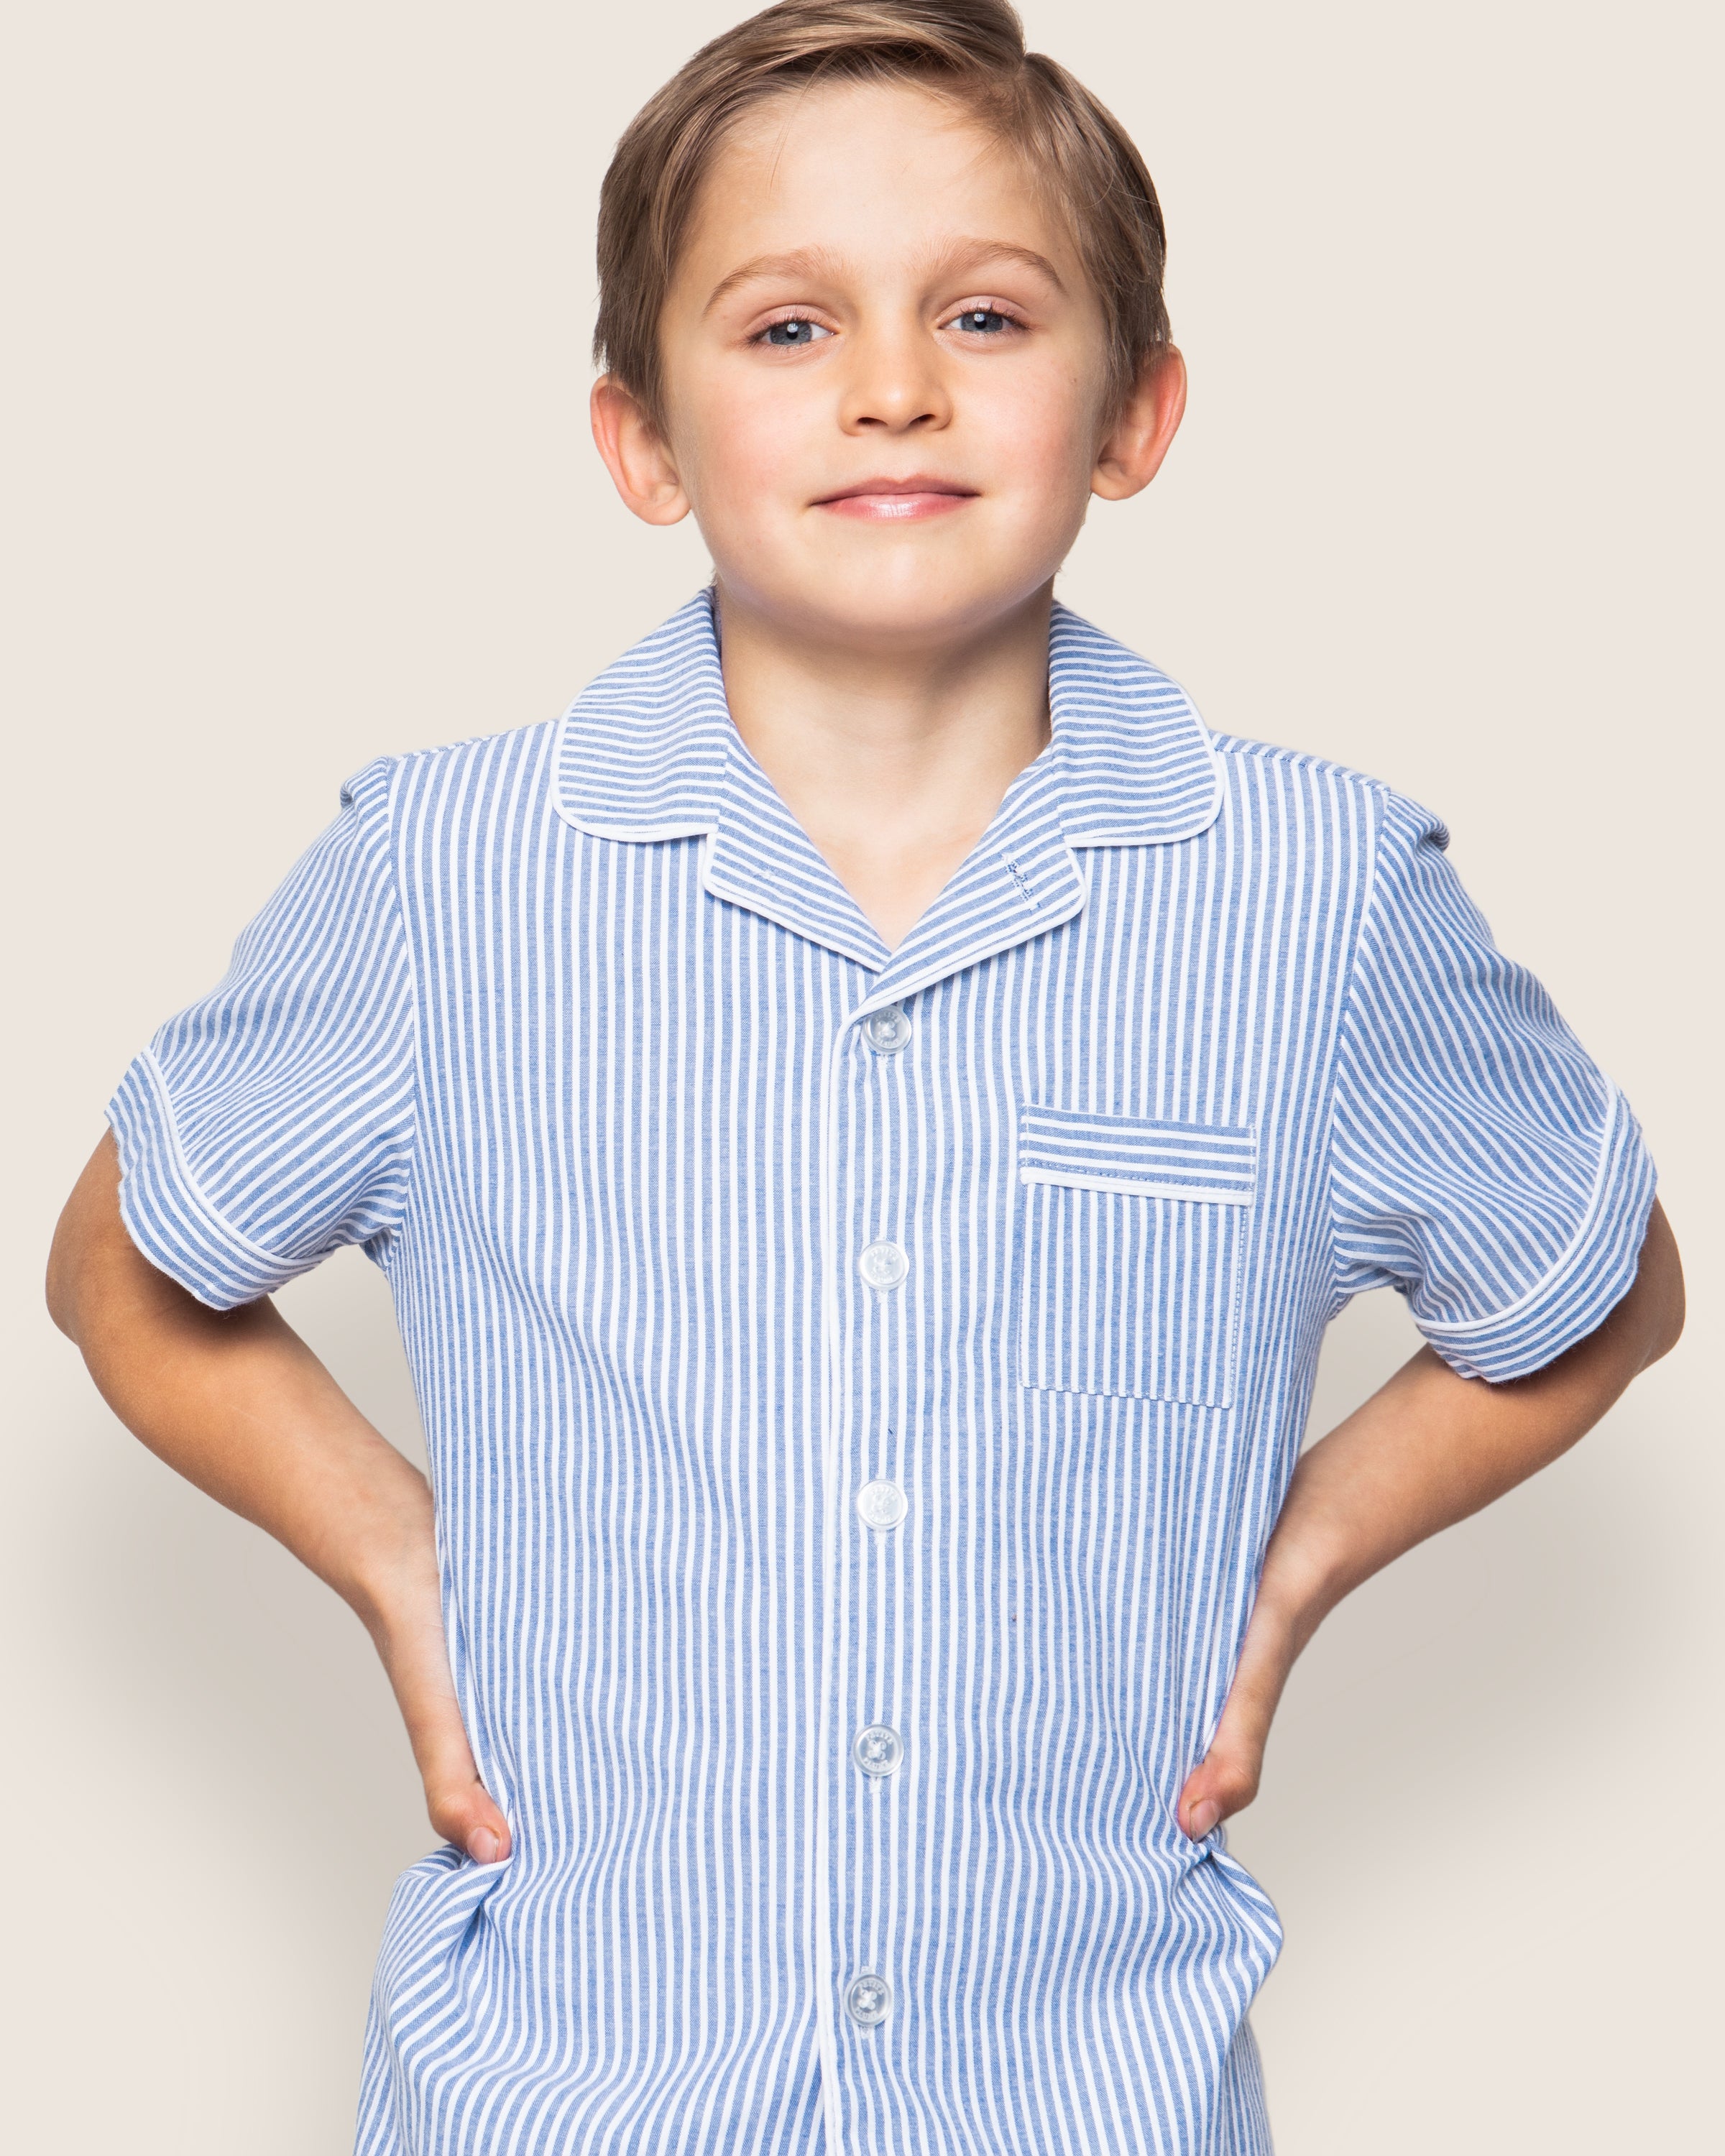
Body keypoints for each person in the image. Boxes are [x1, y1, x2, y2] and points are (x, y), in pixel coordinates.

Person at [45, 2, 1683, 2150]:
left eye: (987, 314)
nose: (894, 386)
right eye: (791, 326)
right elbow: (120, 1264)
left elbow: (1599, 1284)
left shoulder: (1321, 900)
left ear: (1138, 409)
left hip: (1086, 2095)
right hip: (566, 2091)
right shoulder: (446, 877)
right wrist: (397, 1563)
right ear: (639, 439)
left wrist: (1294, 1566)